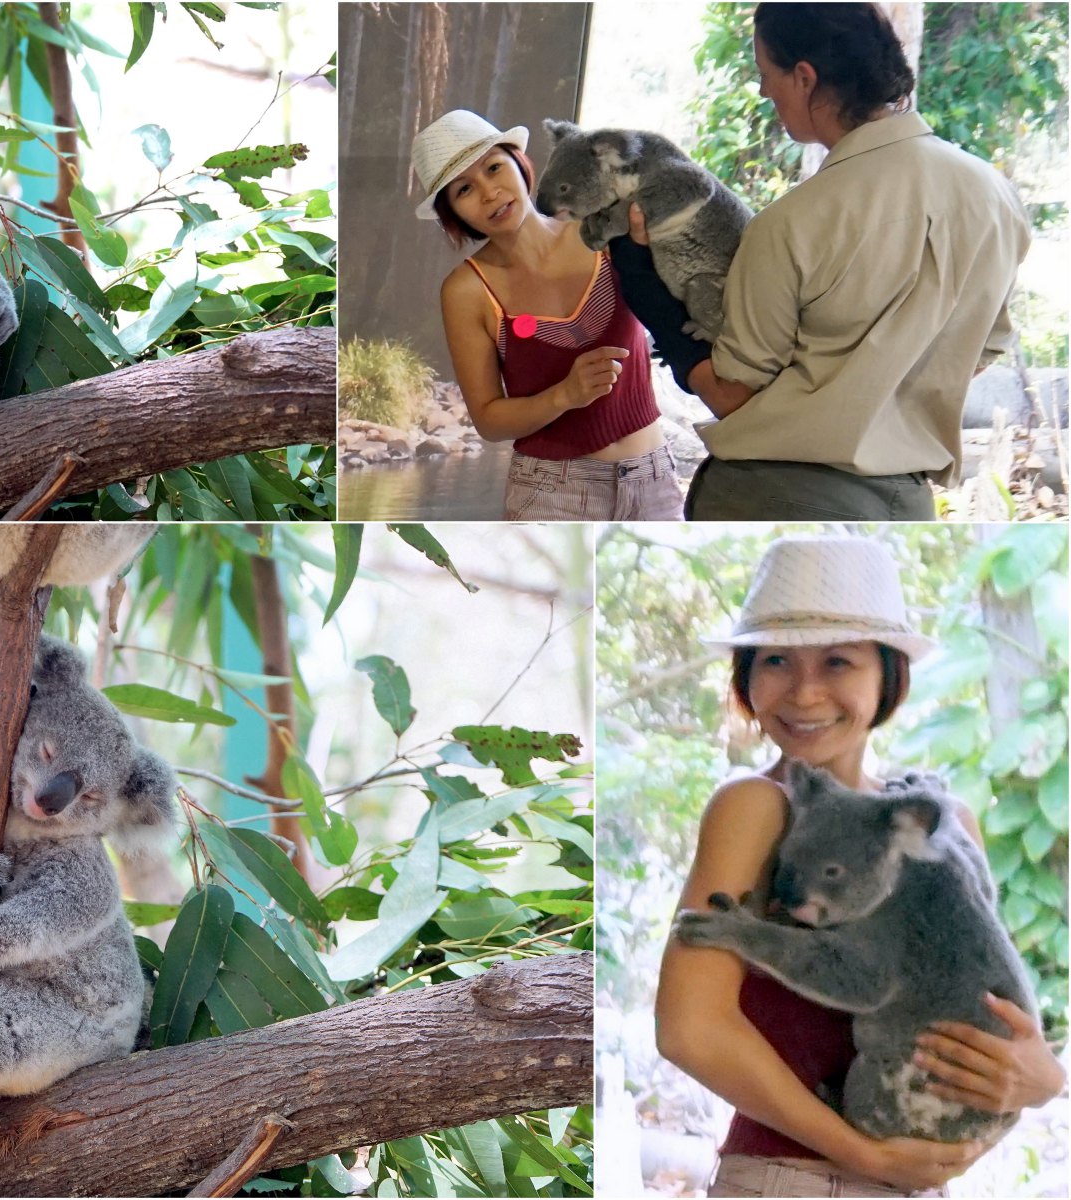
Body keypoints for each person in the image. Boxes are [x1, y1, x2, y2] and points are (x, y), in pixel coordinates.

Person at [656, 535, 1065, 1197]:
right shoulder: (759, 805)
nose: (805, 692)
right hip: (799, 1178)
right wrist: (862, 1154)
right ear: (746, 676)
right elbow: (689, 1029)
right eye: (777, 660)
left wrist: (1043, 1079)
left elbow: (997, 990)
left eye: (839, 662)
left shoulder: (945, 825)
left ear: (888, 676)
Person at [613, 3, 1032, 520]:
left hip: (777, 492)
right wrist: (884, 385)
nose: (765, 91)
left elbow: (732, 398)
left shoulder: (792, 224)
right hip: (907, 506)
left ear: (805, 77)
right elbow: (985, 346)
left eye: (767, 75)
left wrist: (647, 293)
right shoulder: (996, 196)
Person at [412, 109, 682, 520]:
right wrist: (563, 396)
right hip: (552, 493)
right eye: (464, 189)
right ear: (453, 213)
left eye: (494, 167)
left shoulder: (603, 233)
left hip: (655, 480)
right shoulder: (466, 290)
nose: (489, 192)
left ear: (520, 165)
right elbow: (489, 418)